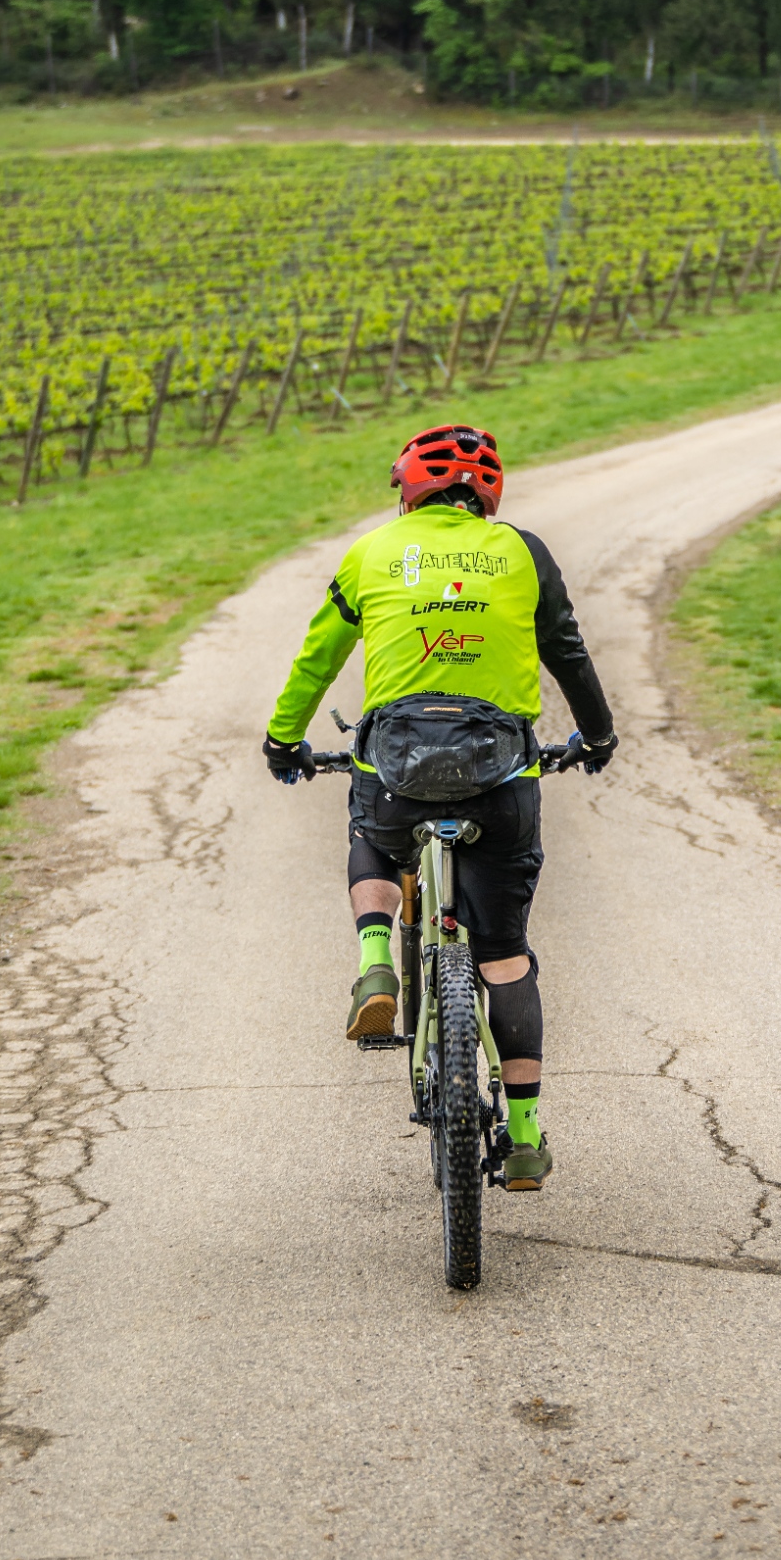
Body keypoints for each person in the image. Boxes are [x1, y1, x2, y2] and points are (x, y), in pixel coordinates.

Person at [262, 422, 616, 1191]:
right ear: (485, 494)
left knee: (373, 832)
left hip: (396, 766)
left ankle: (376, 963)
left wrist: (283, 740)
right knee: (505, 955)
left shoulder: (369, 555)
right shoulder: (523, 552)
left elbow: (317, 657)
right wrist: (597, 735)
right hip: (501, 777)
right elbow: (567, 650)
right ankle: (523, 1137)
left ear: (408, 488)